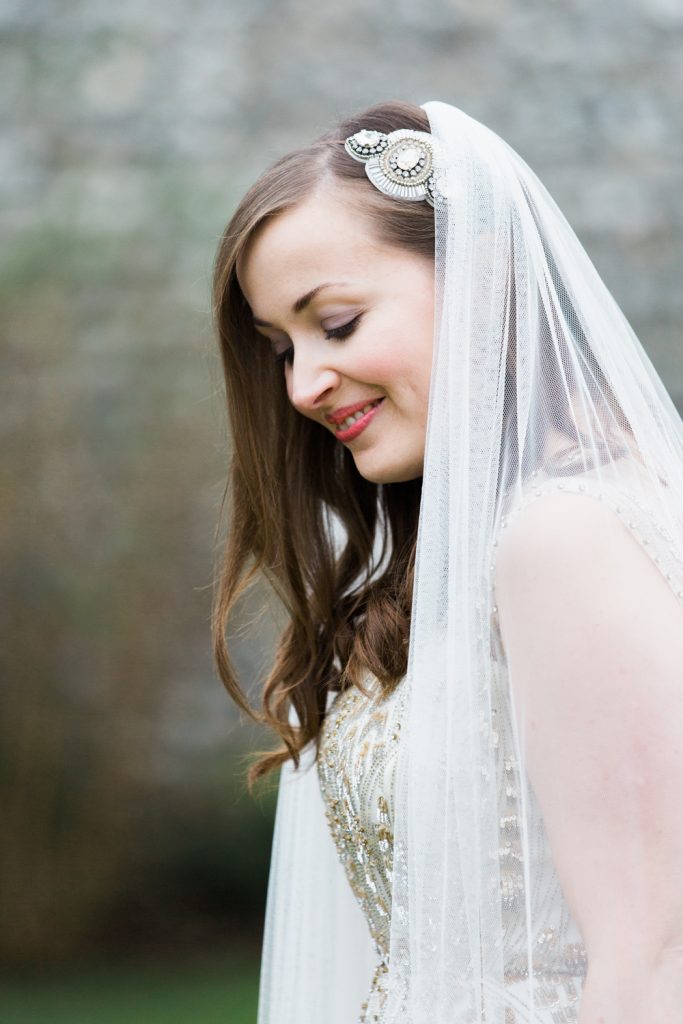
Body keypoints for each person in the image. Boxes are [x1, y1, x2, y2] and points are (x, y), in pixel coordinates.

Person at [211, 100, 683, 1024]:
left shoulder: (565, 539)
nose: (302, 385)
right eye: (279, 349)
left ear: (483, 277)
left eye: (335, 323)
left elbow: (655, 960)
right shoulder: (440, 554)